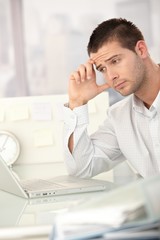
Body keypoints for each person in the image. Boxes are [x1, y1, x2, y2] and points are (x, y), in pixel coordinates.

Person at [63, 18, 160, 178]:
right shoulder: (119, 117)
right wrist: (77, 103)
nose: (111, 76)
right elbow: (81, 169)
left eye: (115, 61)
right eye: (102, 69)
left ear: (141, 50)